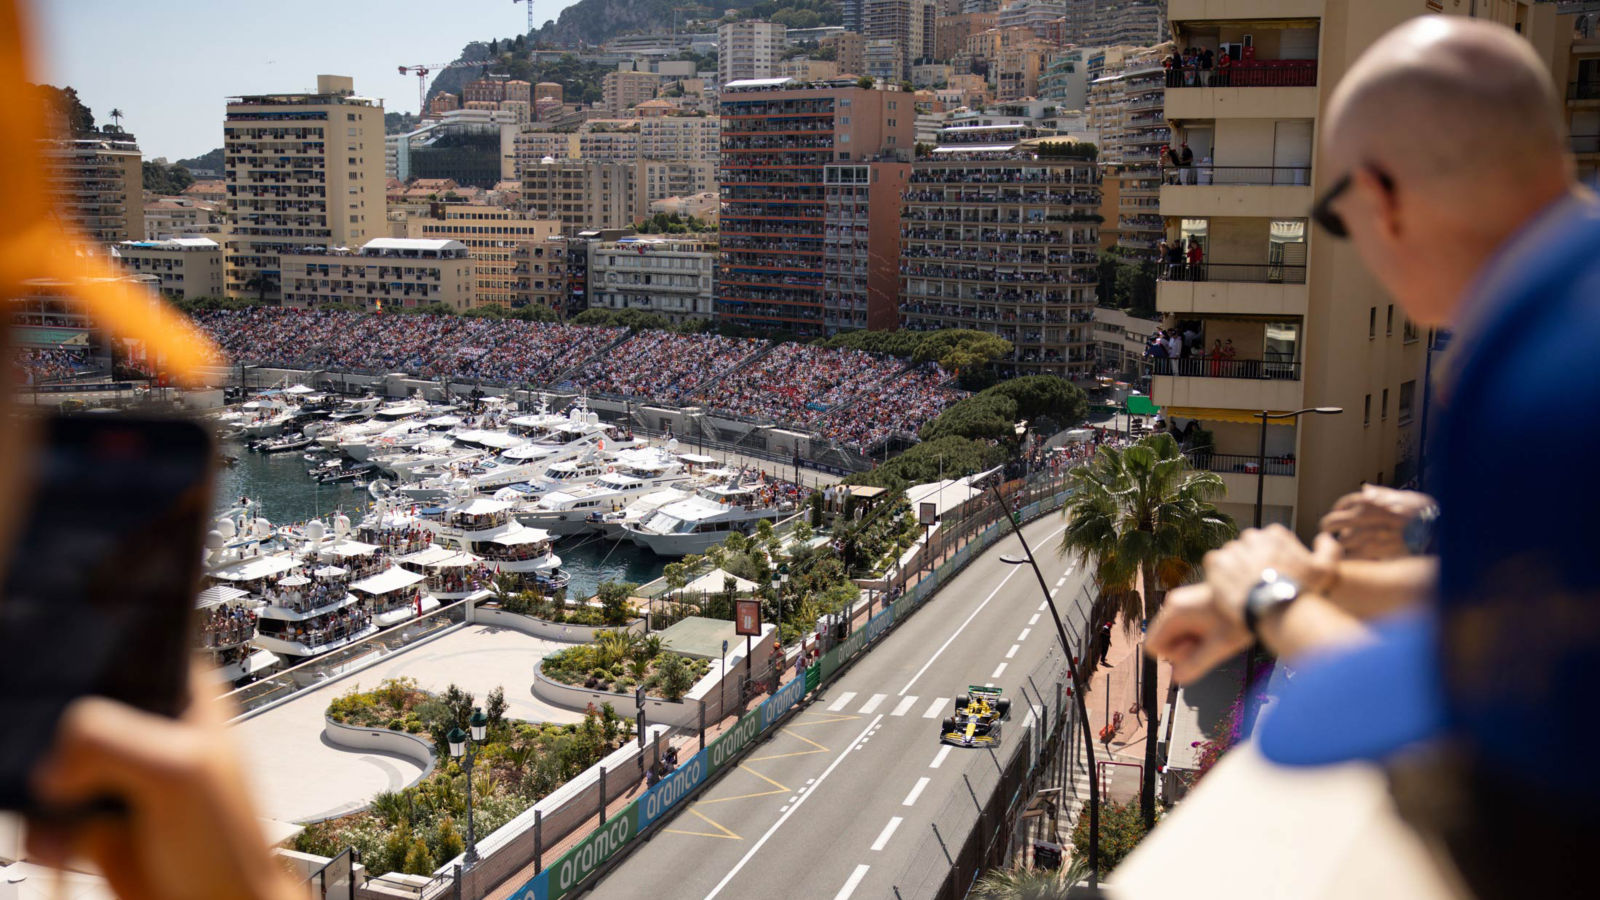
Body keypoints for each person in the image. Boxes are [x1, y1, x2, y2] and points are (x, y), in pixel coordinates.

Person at [1144, 17, 1599, 897]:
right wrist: (1334, 581)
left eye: (1337, 218)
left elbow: (1450, 723)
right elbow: (1531, 594)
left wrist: (1272, 601)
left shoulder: (1540, 379)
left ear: (1382, 196)